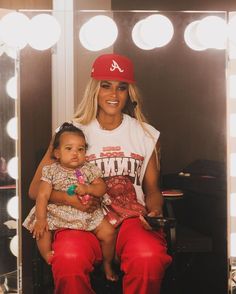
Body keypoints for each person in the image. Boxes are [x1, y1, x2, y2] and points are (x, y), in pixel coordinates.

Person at [29, 53, 172, 294]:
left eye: (121, 88)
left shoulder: (145, 134)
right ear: (95, 89)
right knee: (69, 259)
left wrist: (155, 210)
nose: (113, 95)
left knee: (148, 256)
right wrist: (69, 199)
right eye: (106, 86)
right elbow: (35, 190)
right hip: (80, 218)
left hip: (130, 218)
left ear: (129, 93)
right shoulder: (70, 133)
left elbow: (152, 191)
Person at [23, 123, 117, 281]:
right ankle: (47, 255)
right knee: (41, 230)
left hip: (87, 213)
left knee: (109, 232)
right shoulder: (51, 170)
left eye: (80, 149)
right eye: (69, 149)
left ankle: (107, 263)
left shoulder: (88, 169)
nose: (75, 153)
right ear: (57, 153)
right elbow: (42, 196)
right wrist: (41, 219)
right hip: (58, 213)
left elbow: (101, 188)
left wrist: (88, 189)